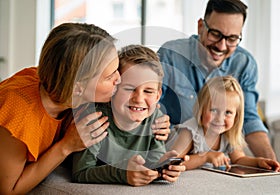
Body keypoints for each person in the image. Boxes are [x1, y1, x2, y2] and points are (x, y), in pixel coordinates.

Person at [0, 23, 169, 194]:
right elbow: (8, 190)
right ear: (79, 87)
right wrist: (66, 146)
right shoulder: (19, 116)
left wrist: (154, 115)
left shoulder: (62, 82)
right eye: (110, 76)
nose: (119, 80)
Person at [157, 0, 276, 160]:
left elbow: (249, 118)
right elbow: (150, 105)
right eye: (215, 34)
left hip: (215, 166)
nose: (221, 46)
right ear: (200, 27)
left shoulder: (244, 64)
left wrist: (272, 164)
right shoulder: (170, 55)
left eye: (232, 39)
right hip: (175, 158)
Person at [72, 45, 188, 186]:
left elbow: (152, 163)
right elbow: (81, 172)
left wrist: (163, 168)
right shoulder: (95, 118)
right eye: (129, 89)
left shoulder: (156, 119)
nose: (139, 99)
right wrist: (122, 173)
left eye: (148, 91)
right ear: (114, 89)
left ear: (158, 96)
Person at [171, 76, 280, 172]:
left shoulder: (227, 135)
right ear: (201, 108)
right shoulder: (189, 132)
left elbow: (238, 159)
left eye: (228, 112)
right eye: (213, 110)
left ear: (236, 116)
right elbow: (173, 164)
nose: (219, 119)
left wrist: (259, 162)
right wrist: (205, 157)